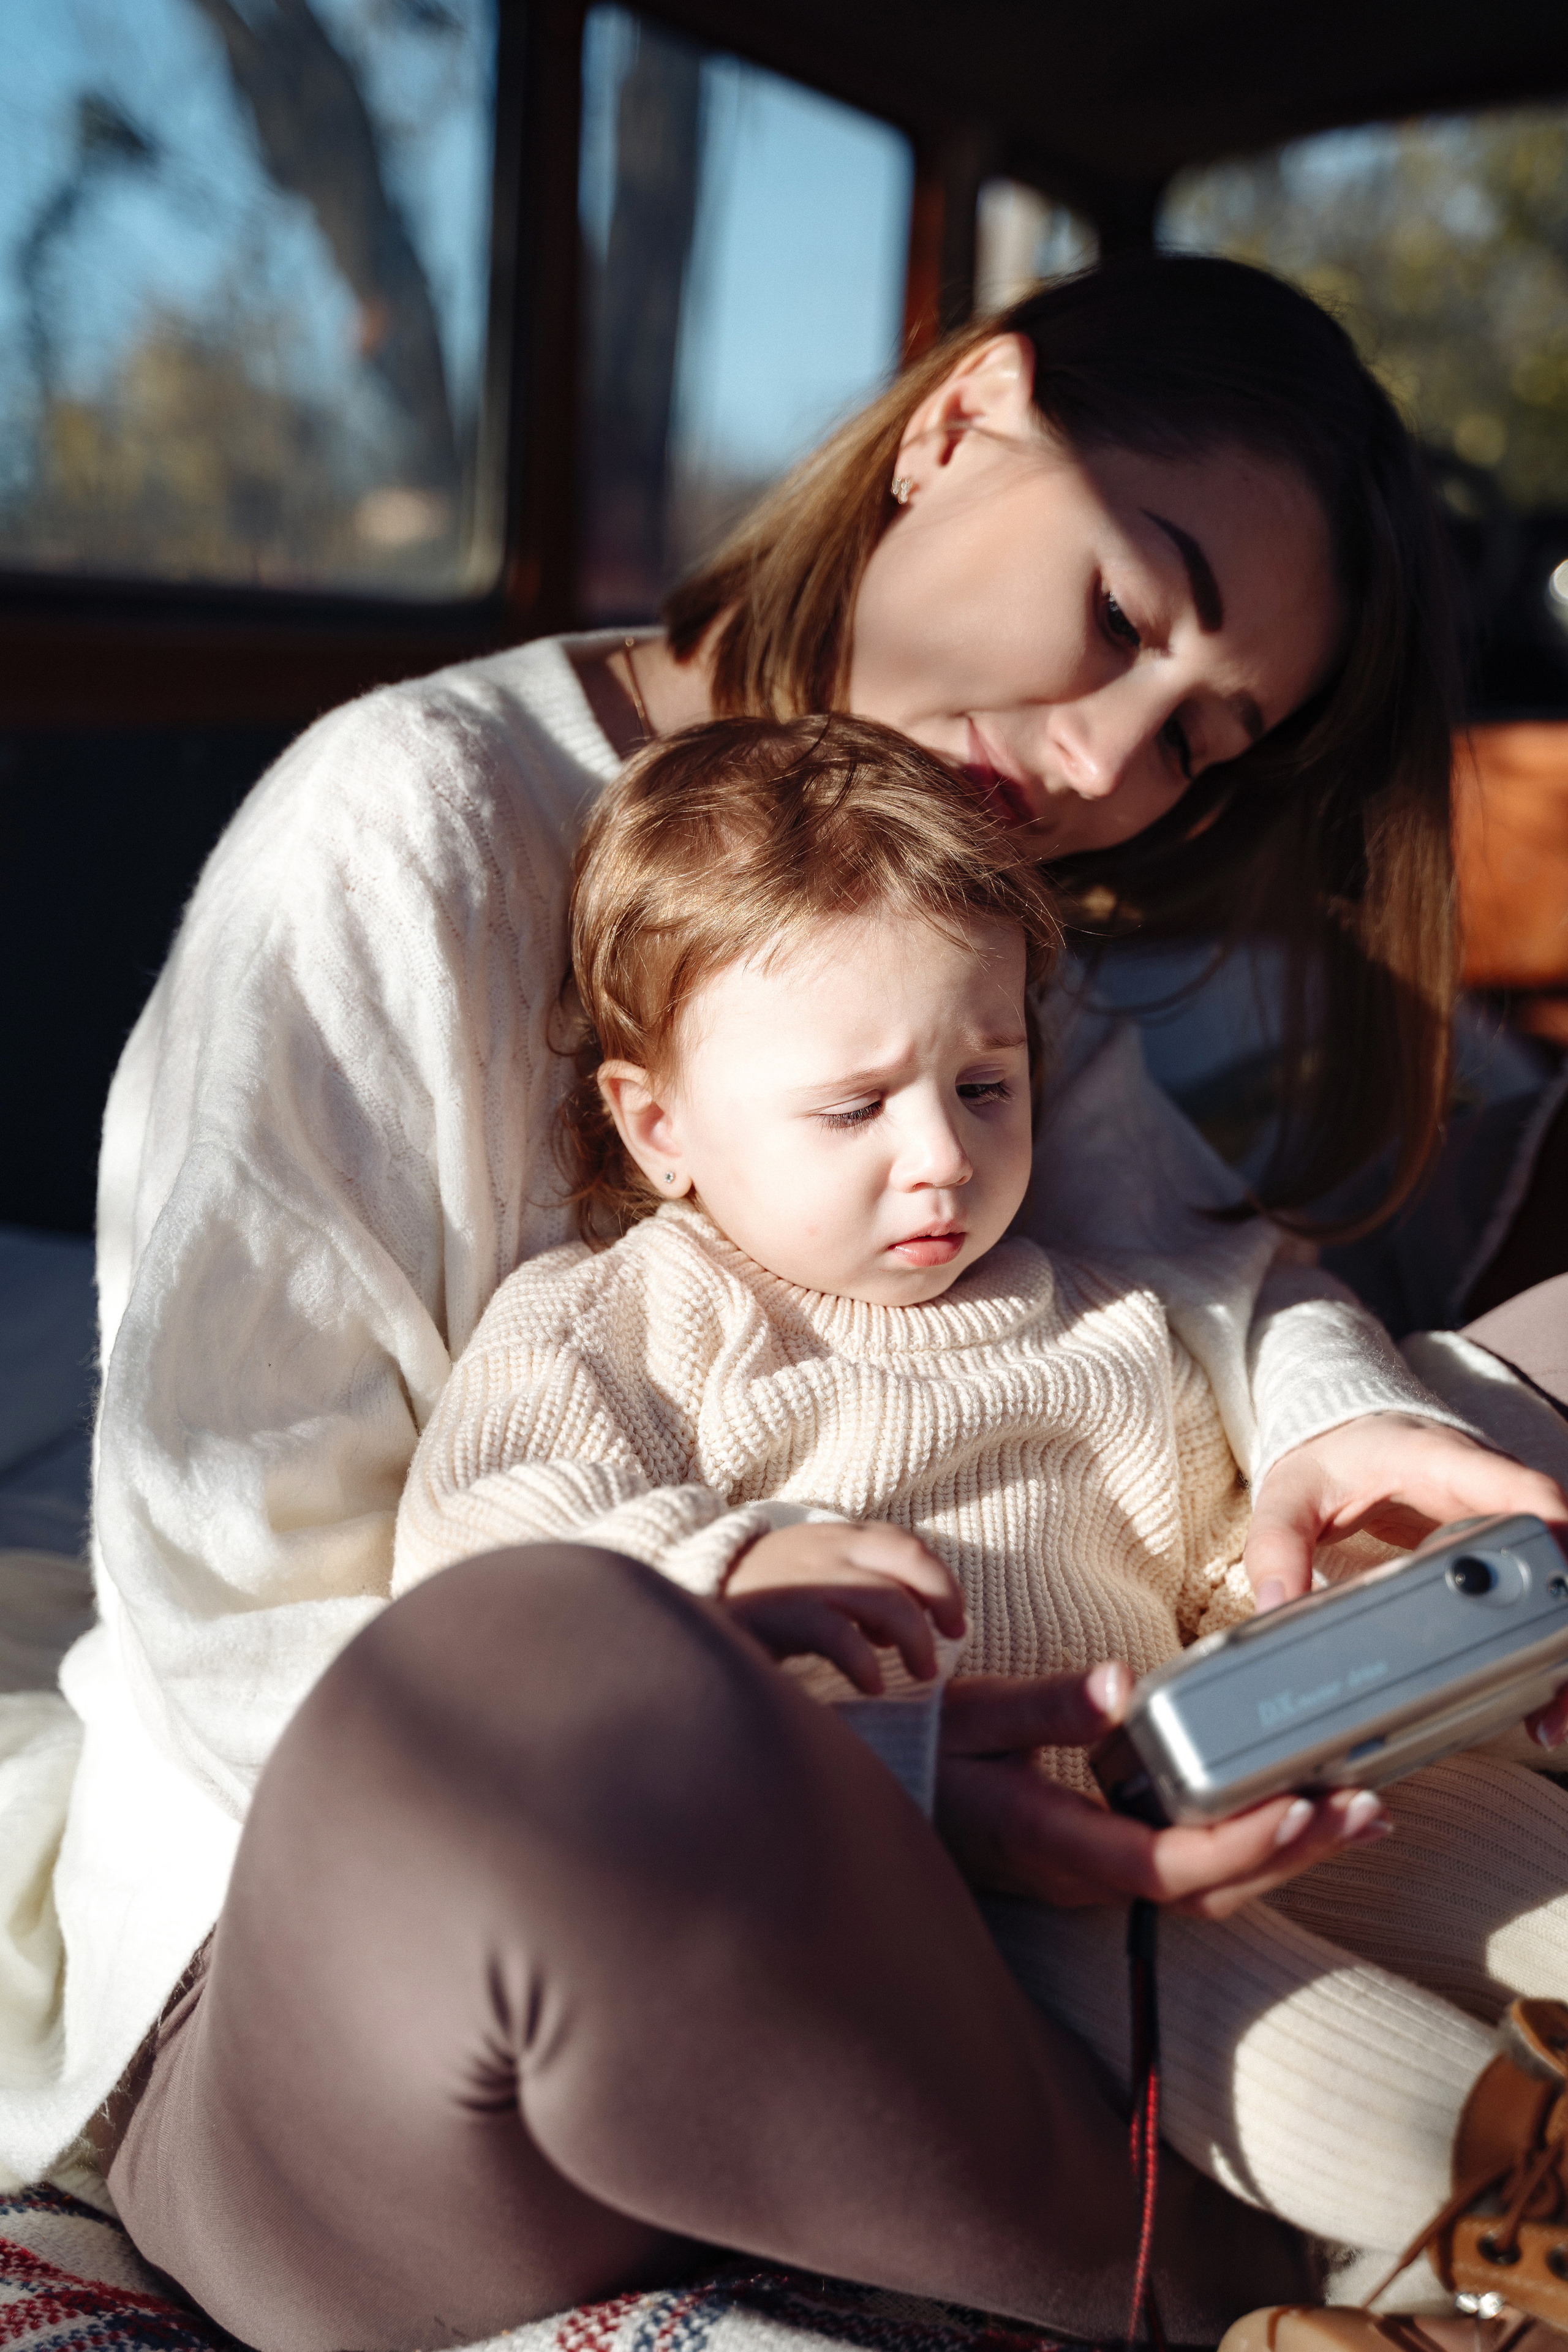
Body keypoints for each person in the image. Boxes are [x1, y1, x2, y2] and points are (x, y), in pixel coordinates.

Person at [0, 252, 1564, 2344]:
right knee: (556, 1645)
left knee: (1496, 1420)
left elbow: (1185, 1272)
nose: (1107, 761)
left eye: (1204, 733)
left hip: (989, 1918)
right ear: (955, 426)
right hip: (389, 1986)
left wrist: (1330, 1431)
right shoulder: (406, 829)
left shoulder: (973, 895)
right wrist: (877, 1786)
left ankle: (1379, 2226)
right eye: (1120, 610)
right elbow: (234, 1630)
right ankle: (1224, 2272)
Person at [392, 711, 1568, 2319]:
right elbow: (479, 1539)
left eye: (985, 1080)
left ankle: (1414, 2281)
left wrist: (1324, 1497)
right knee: (1229, 2015)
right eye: (855, 1106)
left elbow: (1274, 1317)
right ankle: (1502, 2197)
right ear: (658, 1125)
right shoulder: (629, 1315)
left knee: (1506, 1845)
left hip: (1230, 1758)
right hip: (940, 1874)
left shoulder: (1095, 1292)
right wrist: (723, 1563)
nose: (942, 1156)